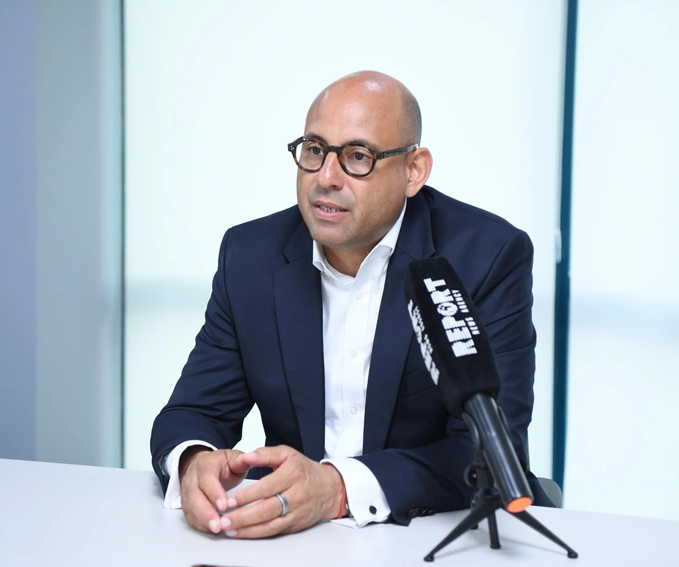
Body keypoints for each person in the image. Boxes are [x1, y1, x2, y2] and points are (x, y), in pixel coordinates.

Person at [150, 70, 553, 539]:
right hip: (291, 541)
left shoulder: (484, 257)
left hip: (430, 534)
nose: (326, 178)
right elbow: (193, 412)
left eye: (358, 156)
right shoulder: (251, 256)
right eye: (314, 150)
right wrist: (194, 462)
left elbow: (491, 450)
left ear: (414, 171)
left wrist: (337, 488)